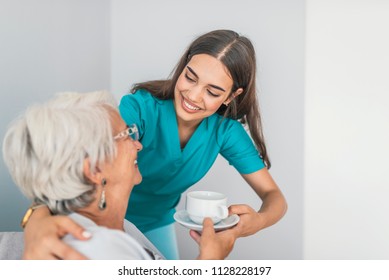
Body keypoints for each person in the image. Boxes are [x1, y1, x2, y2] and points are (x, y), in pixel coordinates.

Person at [23, 29, 287, 260]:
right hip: (98, 217)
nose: (193, 95)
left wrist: (256, 223)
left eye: (212, 91)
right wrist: (37, 219)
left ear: (232, 96)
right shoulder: (140, 108)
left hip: (155, 224)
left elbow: (275, 199)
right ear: (182, 67)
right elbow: (80, 158)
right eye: (190, 77)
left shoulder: (225, 132)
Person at [2, 91, 236, 260]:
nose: (139, 146)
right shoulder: (99, 250)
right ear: (94, 169)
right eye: (127, 135)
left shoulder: (116, 226)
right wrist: (210, 262)